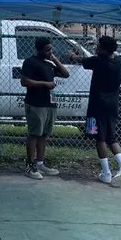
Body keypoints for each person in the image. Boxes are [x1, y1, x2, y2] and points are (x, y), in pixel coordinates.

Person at [69, 35, 121, 186]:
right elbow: (107, 55)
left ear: (103, 49)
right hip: (112, 104)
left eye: (98, 46)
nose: (96, 48)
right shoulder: (119, 61)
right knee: (111, 137)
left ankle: (106, 173)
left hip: (96, 105)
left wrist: (71, 55)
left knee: (99, 138)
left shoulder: (97, 61)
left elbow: (80, 60)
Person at [21, 36, 70, 179]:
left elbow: (65, 74)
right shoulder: (30, 62)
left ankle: (40, 163)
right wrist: (44, 84)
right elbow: (24, 81)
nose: (50, 51)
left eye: (51, 49)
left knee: (44, 135)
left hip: (49, 104)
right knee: (34, 134)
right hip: (36, 104)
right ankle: (30, 165)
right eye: (47, 49)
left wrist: (54, 59)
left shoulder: (49, 64)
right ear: (39, 49)